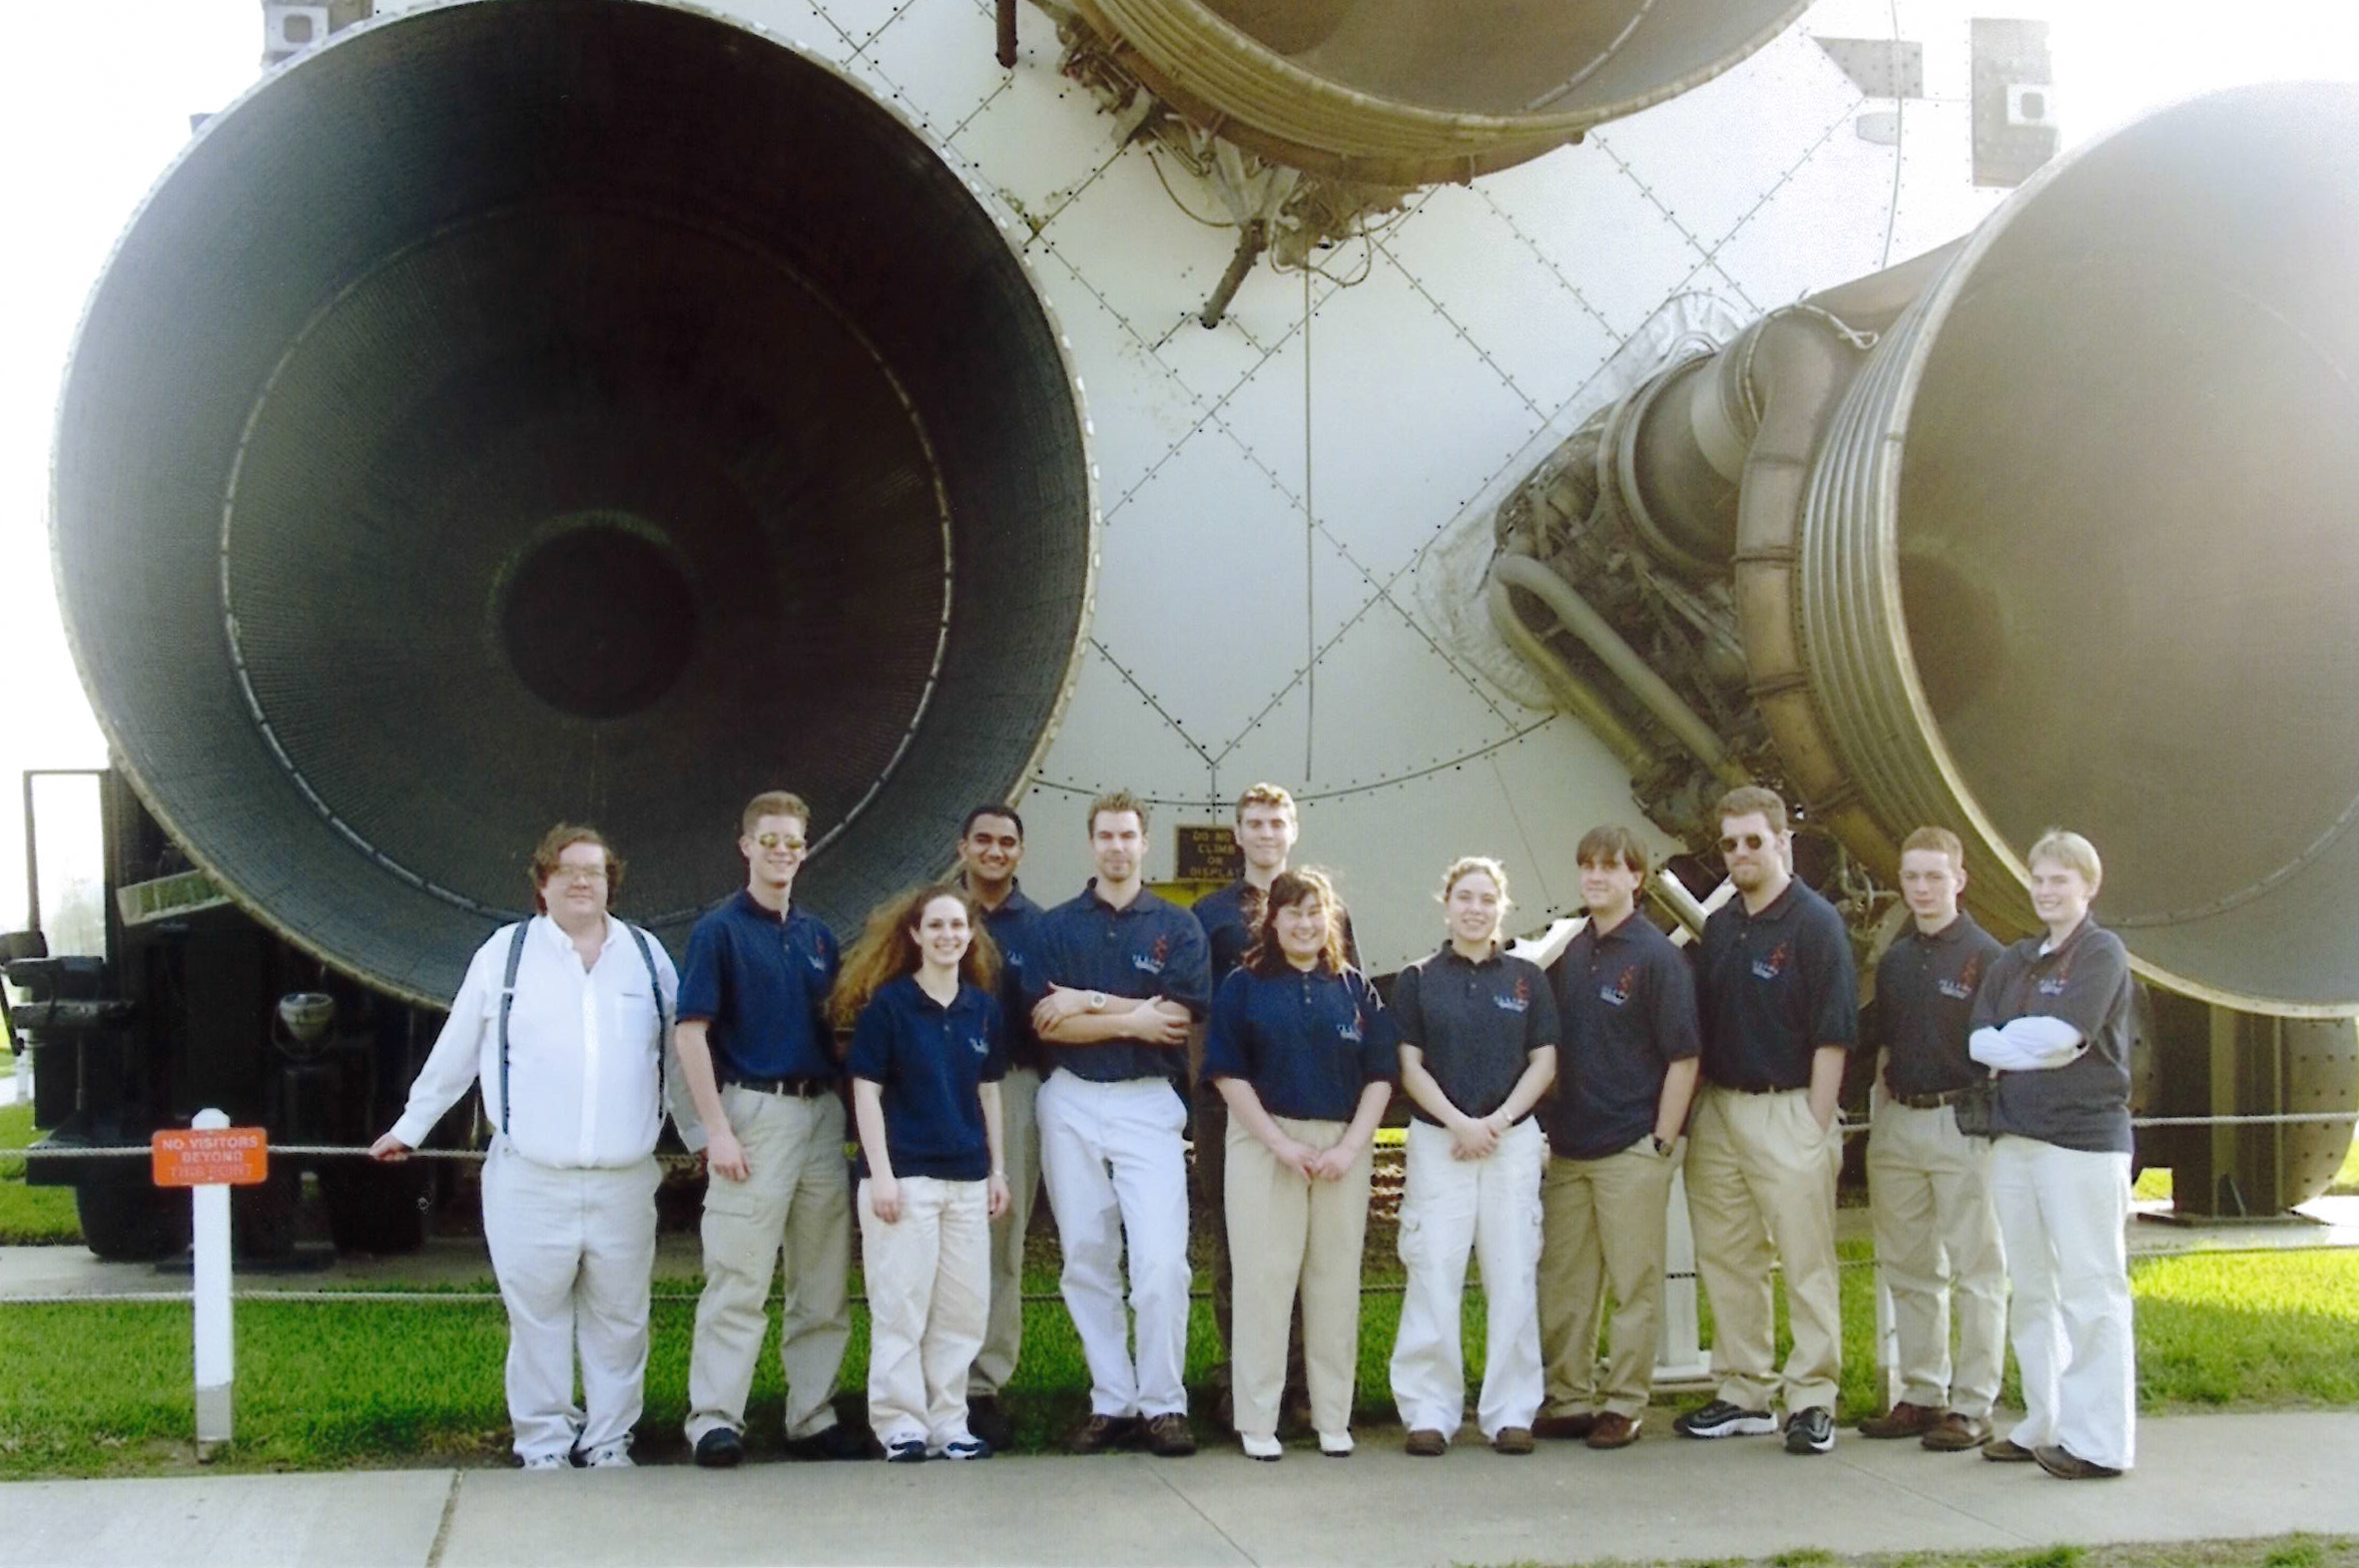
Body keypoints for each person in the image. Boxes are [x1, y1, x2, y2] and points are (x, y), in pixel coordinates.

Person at [371, 825, 685, 1470]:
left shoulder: (646, 955)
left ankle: (607, 1439)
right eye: (567, 870)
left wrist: (709, 1136)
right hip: (529, 1176)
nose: (581, 882)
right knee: (538, 1318)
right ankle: (542, 1440)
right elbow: (457, 1049)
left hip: (624, 1177)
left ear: (610, 882)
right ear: (542, 882)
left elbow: (677, 1059)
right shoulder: (504, 954)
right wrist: (412, 1125)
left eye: (594, 871)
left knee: (621, 1319)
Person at [673, 791, 866, 1468]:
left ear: (804, 850)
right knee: (739, 1274)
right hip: (754, 1110)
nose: (782, 851)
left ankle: (811, 1414)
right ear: (745, 844)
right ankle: (715, 1417)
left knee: (820, 1278)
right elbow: (690, 1032)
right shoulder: (717, 931)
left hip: (820, 1114)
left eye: (793, 842)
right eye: (770, 839)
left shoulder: (816, 936)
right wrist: (714, 1129)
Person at [1027, 789, 1213, 1457]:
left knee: (1161, 1261)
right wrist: (1128, 1016)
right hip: (1070, 1096)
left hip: (1146, 1100)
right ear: (1091, 842)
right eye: (1105, 835)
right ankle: (1112, 1399)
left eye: (1127, 835)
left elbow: (1175, 1018)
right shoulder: (1055, 927)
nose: (1116, 846)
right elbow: (1049, 1021)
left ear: (1143, 843)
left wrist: (1093, 1002)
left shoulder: (1177, 926)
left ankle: (1164, 1403)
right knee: (1085, 1255)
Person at [1676, 784, 1858, 1456]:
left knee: (1806, 1261)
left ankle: (1811, 1397)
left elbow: (1833, 1031)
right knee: (1727, 1257)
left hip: (1790, 1105)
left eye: (1754, 840)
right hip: (1721, 1110)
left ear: (1782, 840)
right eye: (1729, 843)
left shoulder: (1815, 924)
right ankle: (1741, 1390)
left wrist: (1814, 1122)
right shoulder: (1721, 926)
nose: (1741, 853)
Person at [1202, 867, 1395, 1460]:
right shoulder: (1243, 985)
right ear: (1274, 921)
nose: (1306, 924)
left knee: (1333, 1284)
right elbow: (1226, 1072)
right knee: (1264, 1280)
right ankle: (1259, 1421)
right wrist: (1279, 1144)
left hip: (1342, 1145)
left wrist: (1348, 1147)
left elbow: (1381, 1075)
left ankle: (1333, 1416)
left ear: (1330, 918)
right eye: (1293, 913)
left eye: (1316, 913)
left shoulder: (1355, 988)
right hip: (1265, 1141)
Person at [1188, 783, 1356, 1430]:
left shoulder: (1325, 910)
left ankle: (1309, 1386)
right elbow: (1200, 1015)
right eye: (1252, 822)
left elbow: (1351, 998)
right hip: (1232, 1104)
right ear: (1237, 834)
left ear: (1292, 829)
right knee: (1241, 1247)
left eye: (1275, 821)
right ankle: (1246, 1383)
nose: (1264, 832)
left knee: (1314, 1250)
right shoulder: (1209, 915)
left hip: (1313, 1103)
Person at [1970, 828, 2136, 1480]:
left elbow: (2068, 1034)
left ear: (2086, 886)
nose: (2045, 890)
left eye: (2058, 879)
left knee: (2091, 1287)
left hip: (2082, 1141)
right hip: (2015, 1138)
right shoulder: (2013, 961)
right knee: (2031, 1287)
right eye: (2037, 878)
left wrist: (2030, 1043)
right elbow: (1980, 1040)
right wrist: (2025, 1044)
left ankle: (2099, 1442)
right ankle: (2044, 1421)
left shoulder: (2100, 952)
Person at [1534, 825, 1700, 1450]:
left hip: (1633, 1143)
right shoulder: (1573, 951)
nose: (1597, 877)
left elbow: (1684, 1056)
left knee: (1634, 1282)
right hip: (1572, 1146)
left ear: (1637, 877)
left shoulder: (1656, 957)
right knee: (1565, 1283)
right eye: (1588, 867)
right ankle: (1569, 1397)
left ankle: (1624, 1402)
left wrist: (1661, 1139)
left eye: (1611, 867)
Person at [1388, 855, 1559, 1456]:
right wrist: (1461, 1123)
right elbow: (1408, 1065)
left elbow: (1544, 1060)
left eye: (1487, 899)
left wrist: (1498, 1123)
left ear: (1501, 907)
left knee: (1512, 1275)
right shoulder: (1418, 979)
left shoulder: (1527, 979)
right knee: (1434, 1274)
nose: (1476, 908)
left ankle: (1511, 1410)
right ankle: (1429, 1411)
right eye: (1465, 897)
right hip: (1440, 1143)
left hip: (1509, 1143)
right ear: (1446, 903)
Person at [837, 885, 1013, 1462]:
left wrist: (998, 1170)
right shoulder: (888, 1006)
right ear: (915, 935)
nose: (947, 936)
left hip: (966, 1179)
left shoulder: (981, 1008)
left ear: (969, 935)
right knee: (901, 1307)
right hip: (905, 1179)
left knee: (961, 1312)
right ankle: (900, 1425)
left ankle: (949, 1423)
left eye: (957, 926)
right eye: (934, 926)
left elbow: (989, 1091)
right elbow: (865, 1090)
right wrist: (880, 1174)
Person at [1858, 825, 2008, 1451]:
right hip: (1899, 1123)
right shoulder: (1894, 960)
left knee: (1977, 1269)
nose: (1922, 889)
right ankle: (1922, 1392)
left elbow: (2006, 1049)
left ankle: (1973, 1404)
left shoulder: (1989, 958)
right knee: (1909, 1265)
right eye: (1912, 877)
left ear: (1959, 880)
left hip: (1961, 1120)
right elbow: (1881, 1040)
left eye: (1934, 877)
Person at [953, 804, 1049, 1454]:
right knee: (934, 1235)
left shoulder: (1038, 927)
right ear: (962, 846)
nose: (993, 850)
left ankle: (983, 1383)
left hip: (1012, 1087)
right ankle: (931, 1377)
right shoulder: (930, 915)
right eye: (982, 839)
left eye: (1006, 841)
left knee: (998, 1237)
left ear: (1019, 851)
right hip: (937, 1090)